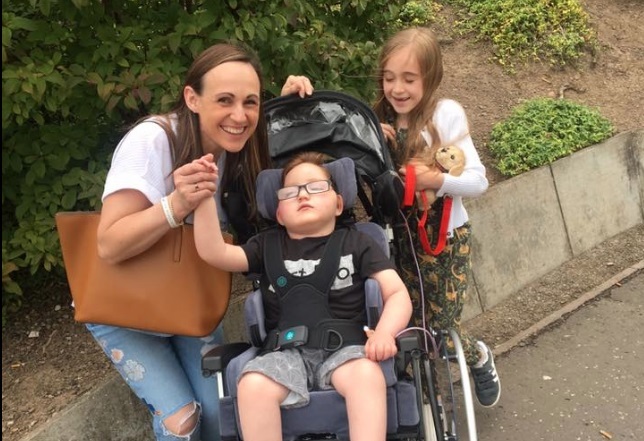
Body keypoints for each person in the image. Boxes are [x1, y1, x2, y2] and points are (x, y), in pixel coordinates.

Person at [93, 43, 312, 441]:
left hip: (186, 299)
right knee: (184, 423)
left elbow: (288, 167)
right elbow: (108, 244)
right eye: (224, 100)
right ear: (191, 98)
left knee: (219, 414)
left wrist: (283, 106)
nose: (239, 115)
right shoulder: (153, 141)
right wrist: (176, 205)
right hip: (123, 308)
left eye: (251, 102)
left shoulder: (237, 148)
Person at [193, 152, 412, 441]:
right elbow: (214, 252)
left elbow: (397, 293)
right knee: (252, 385)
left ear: (338, 203)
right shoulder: (265, 246)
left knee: (366, 376)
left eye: (316, 186)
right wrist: (204, 197)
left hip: (347, 349)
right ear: (279, 213)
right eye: (290, 191)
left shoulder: (358, 242)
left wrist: (384, 333)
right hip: (283, 352)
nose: (303, 195)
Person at [373, 26, 501, 408]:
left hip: (446, 241)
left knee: (440, 332)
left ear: (430, 79)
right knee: (408, 330)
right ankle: (424, 410)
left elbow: (479, 181)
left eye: (409, 79)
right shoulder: (379, 119)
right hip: (400, 243)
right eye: (389, 78)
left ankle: (477, 355)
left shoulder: (444, 114)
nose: (397, 88)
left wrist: (437, 180)